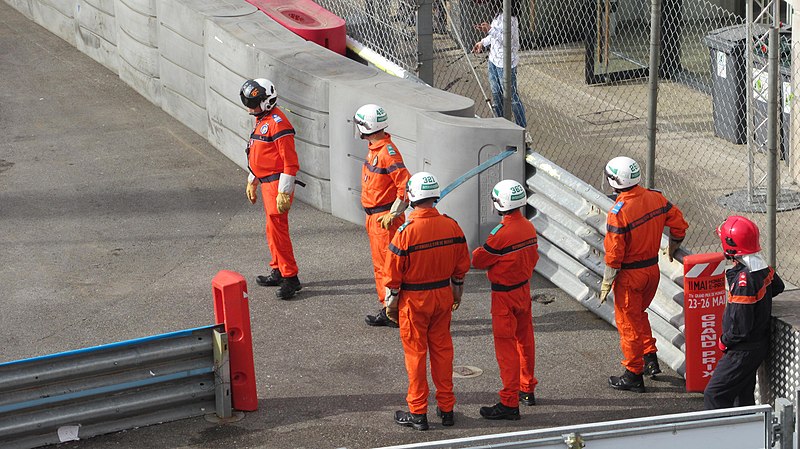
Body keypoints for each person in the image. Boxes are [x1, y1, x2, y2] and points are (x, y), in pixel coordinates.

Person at [384, 172, 471, 430]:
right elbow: (461, 267)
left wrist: (390, 304)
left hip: (414, 301)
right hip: (442, 297)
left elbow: (392, 276)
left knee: (416, 355)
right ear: (435, 196)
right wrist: (456, 295)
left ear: (411, 197)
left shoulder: (405, 232)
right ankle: (447, 409)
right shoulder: (451, 225)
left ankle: (418, 413)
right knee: (443, 352)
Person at [599, 156, 688, 392]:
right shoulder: (655, 197)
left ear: (614, 181)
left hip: (630, 276)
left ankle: (633, 373)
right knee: (638, 315)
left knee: (628, 324)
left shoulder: (618, 212)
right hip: (651, 271)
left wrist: (607, 280)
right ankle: (650, 358)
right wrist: (674, 245)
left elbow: (614, 252)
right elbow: (679, 223)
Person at [472, 180, 539, 420]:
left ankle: (509, 402)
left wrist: (477, 253)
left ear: (500, 203)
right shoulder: (529, 227)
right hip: (523, 290)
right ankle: (527, 389)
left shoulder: (500, 235)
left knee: (506, 347)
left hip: (503, 295)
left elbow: (479, 261)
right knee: (525, 340)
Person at [704, 216, 784, 410]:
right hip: (755, 347)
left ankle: (720, 438)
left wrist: (724, 341)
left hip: (742, 350)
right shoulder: (759, 266)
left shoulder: (744, 281)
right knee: (743, 396)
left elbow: (740, 328)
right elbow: (778, 286)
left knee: (715, 394)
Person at [240, 78, 302, 300]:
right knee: (271, 230)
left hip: (277, 184)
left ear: (266, 101)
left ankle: (291, 278)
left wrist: (284, 191)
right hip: (267, 182)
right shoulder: (263, 119)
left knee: (278, 231)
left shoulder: (278, 123)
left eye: (253, 102)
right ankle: (278, 268)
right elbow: (260, 154)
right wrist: (253, 179)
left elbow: (290, 161)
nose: (249, 106)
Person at [353, 104, 411, 328]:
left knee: (389, 267)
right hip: (376, 218)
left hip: (384, 220)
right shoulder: (376, 148)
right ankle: (389, 308)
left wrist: (393, 213)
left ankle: (394, 310)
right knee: (381, 266)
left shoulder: (387, 153)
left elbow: (405, 186)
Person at [472, 0, 527, 129]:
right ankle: (500, 124)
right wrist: (482, 42)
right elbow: (494, 36)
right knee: (496, 94)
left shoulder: (511, 19)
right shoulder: (498, 15)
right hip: (493, 61)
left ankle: (521, 128)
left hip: (506, 64)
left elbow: (510, 42)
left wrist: (490, 30)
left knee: (512, 97)